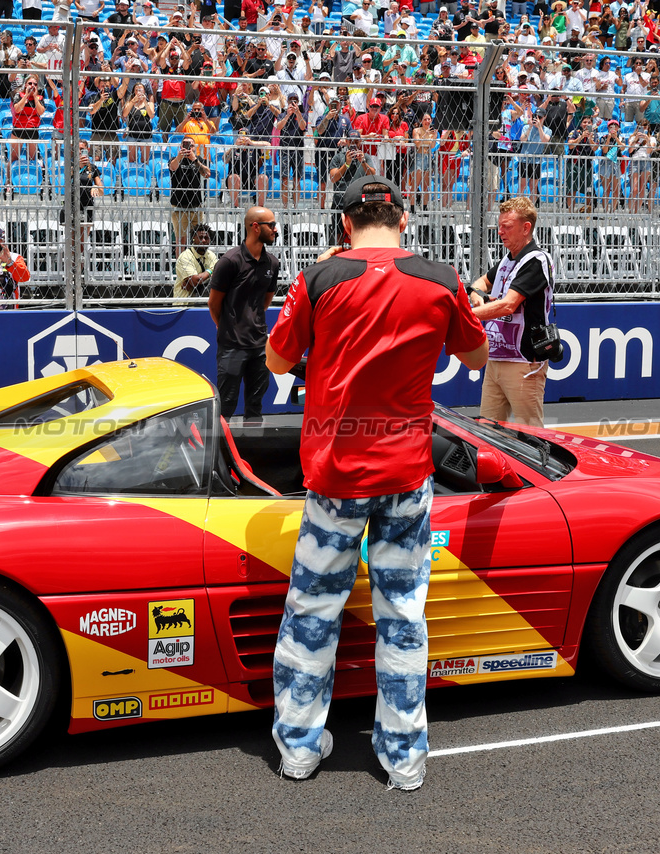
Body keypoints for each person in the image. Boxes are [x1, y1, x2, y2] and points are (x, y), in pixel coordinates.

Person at [264, 179, 488, 790]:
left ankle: (300, 749)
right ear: (406, 219)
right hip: (407, 473)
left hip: (336, 474)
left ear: (344, 224)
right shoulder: (442, 281)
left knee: (314, 611)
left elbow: (278, 362)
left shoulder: (318, 277)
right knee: (404, 616)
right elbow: (475, 357)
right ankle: (404, 758)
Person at [468, 196, 555, 428]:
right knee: (487, 433)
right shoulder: (508, 259)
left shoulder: (536, 260)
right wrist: (478, 295)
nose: (500, 232)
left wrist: (466, 314)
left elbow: (508, 305)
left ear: (526, 228)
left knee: (531, 434)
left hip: (523, 362)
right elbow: (480, 283)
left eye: (507, 226)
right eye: (499, 226)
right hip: (496, 358)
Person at [208, 206, 279, 420]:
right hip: (232, 347)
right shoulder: (229, 261)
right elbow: (213, 304)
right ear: (255, 227)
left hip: (259, 347)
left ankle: (252, 452)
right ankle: (221, 453)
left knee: (255, 408)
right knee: (225, 407)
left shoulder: (273, 263)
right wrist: (229, 328)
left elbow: (265, 303)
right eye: (272, 225)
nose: (276, 230)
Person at [169, 135, 210, 257]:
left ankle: (197, 267)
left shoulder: (199, 160)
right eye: (185, 145)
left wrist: (194, 160)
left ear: (195, 147)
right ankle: (180, 269)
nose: (188, 147)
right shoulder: (175, 159)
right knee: (180, 241)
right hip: (178, 205)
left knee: (198, 239)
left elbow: (207, 173)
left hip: (196, 205)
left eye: (191, 145)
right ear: (181, 146)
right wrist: (180, 156)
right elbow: (172, 167)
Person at [174, 222, 218, 303]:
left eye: (206, 238)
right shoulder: (185, 256)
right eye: (200, 237)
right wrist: (210, 271)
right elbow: (195, 281)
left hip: (204, 304)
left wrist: (190, 281)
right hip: (183, 305)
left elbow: (219, 275)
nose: (204, 240)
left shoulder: (211, 255)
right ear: (193, 238)